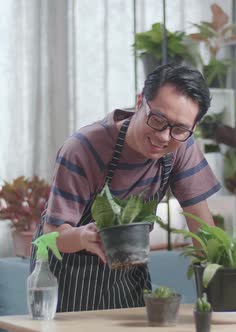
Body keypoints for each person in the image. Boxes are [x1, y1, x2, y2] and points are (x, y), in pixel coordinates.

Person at [30, 63, 221, 312]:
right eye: (158, 120)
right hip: (68, 273)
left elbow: (203, 229)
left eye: (180, 129)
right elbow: (52, 236)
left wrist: (225, 287)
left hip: (127, 274)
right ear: (141, 100)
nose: (164, 136)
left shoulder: (181, 145)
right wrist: (84, 237)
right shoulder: (84, 148)